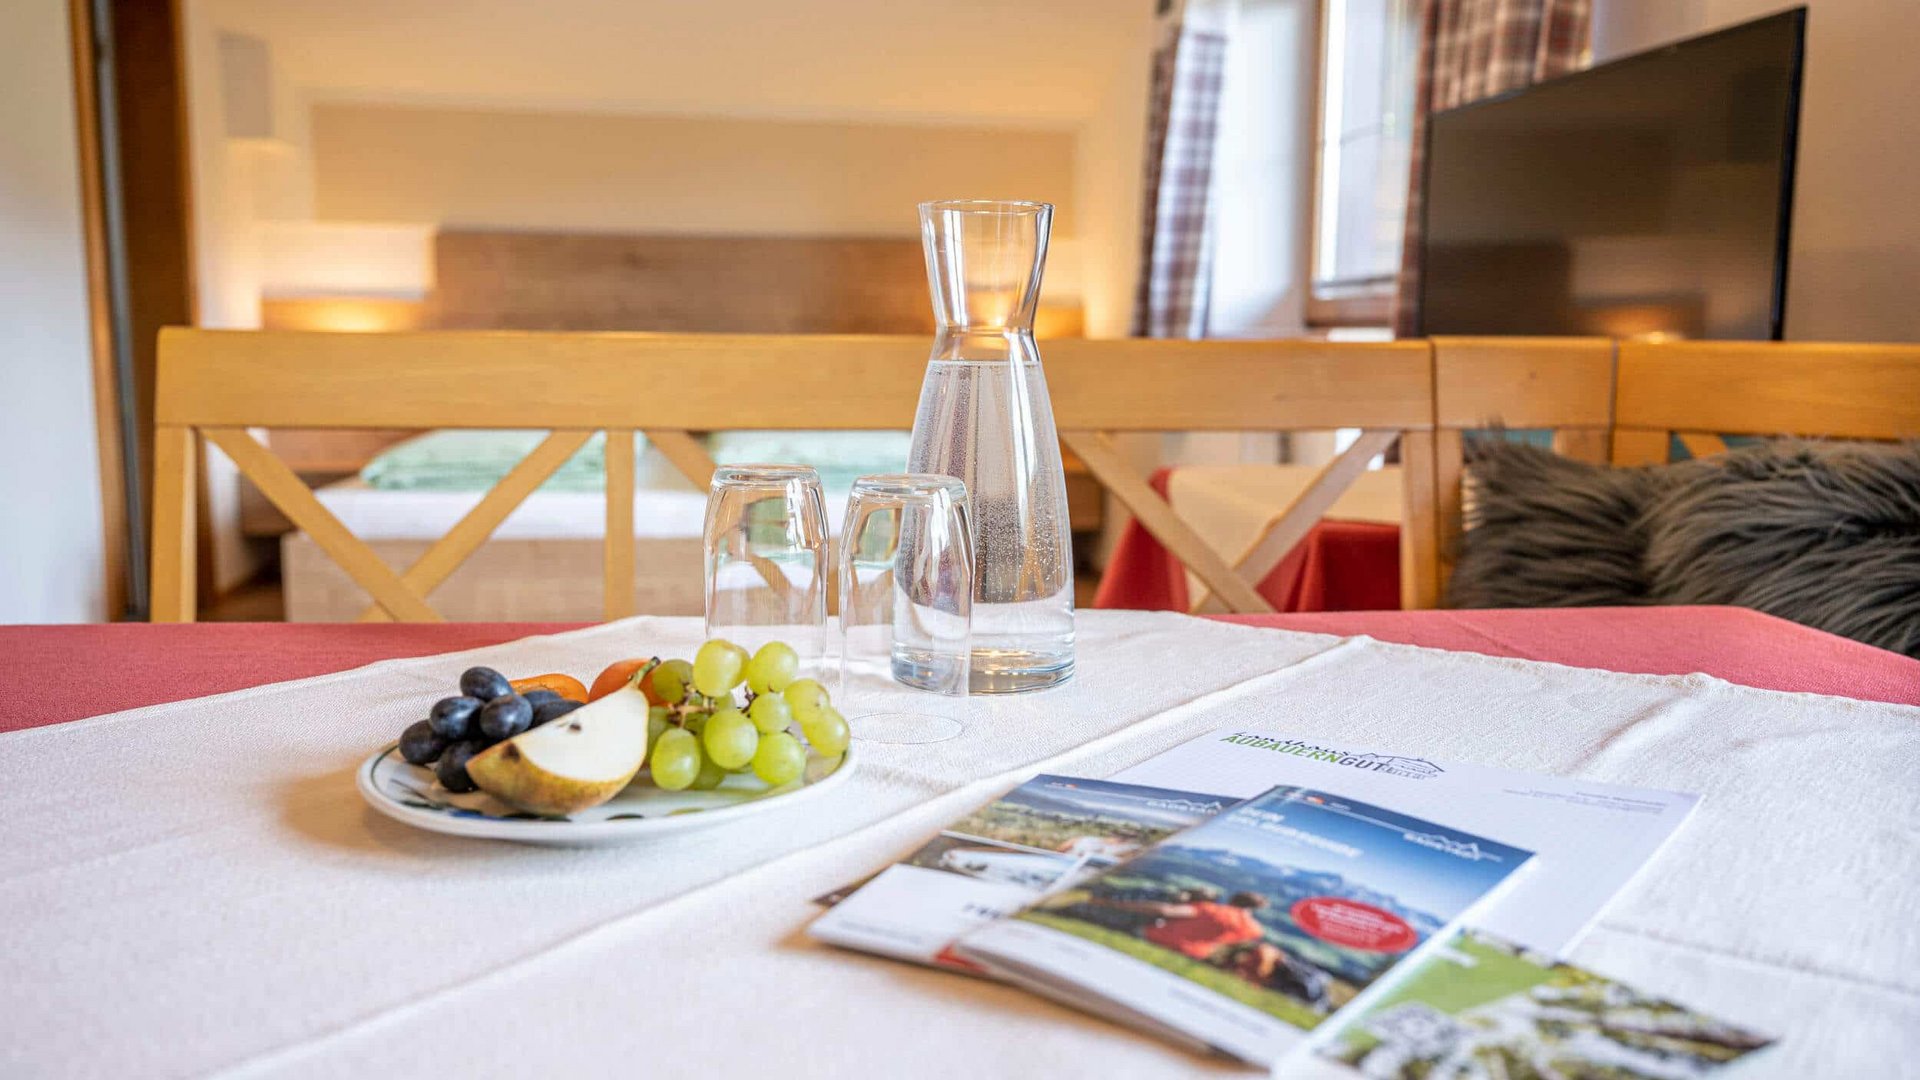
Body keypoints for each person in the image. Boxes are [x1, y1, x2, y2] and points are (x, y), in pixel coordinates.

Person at [1082, 890, 1270, 960]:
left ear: (1233, 898)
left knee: (1107, 919)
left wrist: (1115, 904)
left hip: (1159, 938)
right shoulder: (1254, 930)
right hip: (1198, 954)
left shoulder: (1212, 909)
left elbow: (1166, 912)